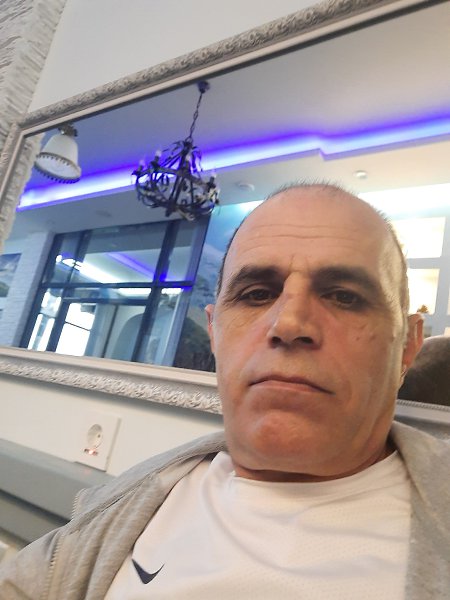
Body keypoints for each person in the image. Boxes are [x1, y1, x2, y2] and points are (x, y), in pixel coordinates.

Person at [1, 183, 449, 600]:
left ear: (408, 345)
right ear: (214, 332)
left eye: (344, 296)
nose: (289, 323)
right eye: (256, 294)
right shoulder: (123, 508)